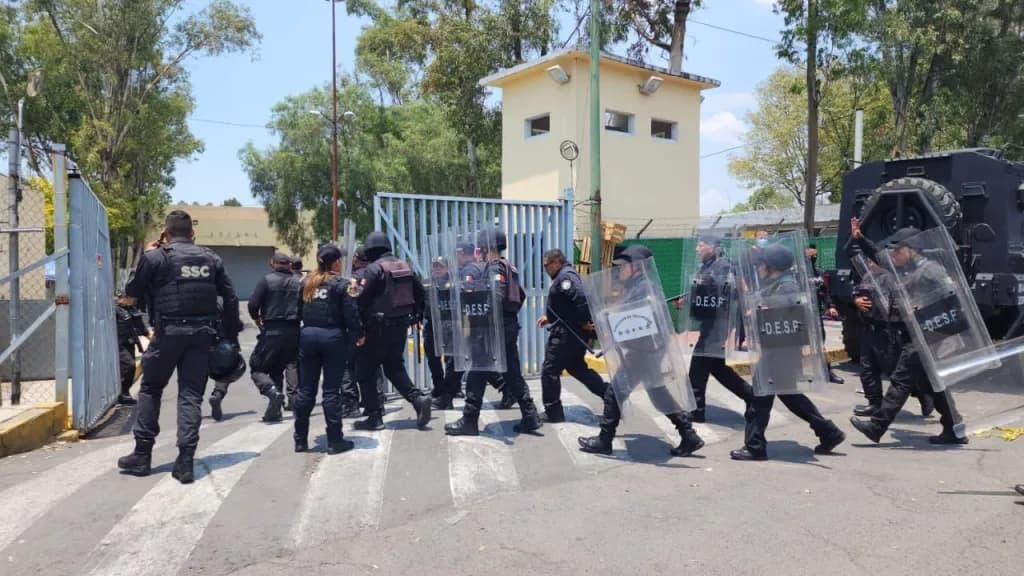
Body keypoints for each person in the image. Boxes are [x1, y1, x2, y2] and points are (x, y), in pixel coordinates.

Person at [117, 210, 240, 484]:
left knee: (150, 388)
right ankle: (185, 462)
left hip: (168, 333)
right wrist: (230, 335)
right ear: (192, 233)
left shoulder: (155, 257)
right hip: (202, 335)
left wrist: (151, 253)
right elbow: (230, 298)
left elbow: (131, 292)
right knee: (190, 396)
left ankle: (142, 455)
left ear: (165, 232)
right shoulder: (211, 258)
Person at [577, 245, 704, 457]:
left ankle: (604, 440)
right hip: (646, 350)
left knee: (614, 393)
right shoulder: (640, 286)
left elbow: (634, 316)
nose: (620, 271)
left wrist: (608, 321)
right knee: (658, 395)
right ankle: (689, 435)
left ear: (636, 267)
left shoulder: (643, 287)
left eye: (624, 267)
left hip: (643, 351)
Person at [848, 225, 967, 446]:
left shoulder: (932, 271)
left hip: (927, 336)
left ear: (911, 250)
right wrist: (861, 239)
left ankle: (876, 426)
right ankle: (954, 427)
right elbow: (880, 258)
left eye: (898, 250)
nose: (894, 255)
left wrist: (923, 307)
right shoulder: (905, 270)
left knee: (900, 380)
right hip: (913, 334)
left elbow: (952, 300)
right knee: (933, 384)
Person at [730, 244, 846, 461]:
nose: (759, 268)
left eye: (761, 264)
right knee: (790, 396)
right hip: (776, 350)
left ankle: (755, 447)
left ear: (771, 266)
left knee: (760, 398)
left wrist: (762, 309)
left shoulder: (787, 286)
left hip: (781, 352)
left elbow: (788, 308)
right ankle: (828, 432)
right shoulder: (774, 284)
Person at [445, 228, 542, 436]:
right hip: (508, 326)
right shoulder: (510, 267)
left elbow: (496, 296)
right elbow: (521, 295)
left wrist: (486, 315)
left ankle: (469, 420)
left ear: (486, 248)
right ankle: (530, 415)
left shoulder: (494, 268)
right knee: (512, 372)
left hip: (492, 329)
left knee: (477, 372)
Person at [352, 232, 432, 431]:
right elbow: (421, 293)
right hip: (400, 326)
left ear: (371, 249)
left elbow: (360, 300)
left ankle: (374, 417)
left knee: (365, 372)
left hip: (376, 328)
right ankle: (418, 400)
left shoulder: (373, 269)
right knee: (394, 367)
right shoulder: (404, 266)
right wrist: (416, 314)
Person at [293, 245, 362, 454]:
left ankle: (300, 440)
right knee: (332, 390)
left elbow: (296, 312)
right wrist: (358, 335)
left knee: (306, 390)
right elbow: (351, 313)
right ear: (336, 263)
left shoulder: (306, 283)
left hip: (308, 337)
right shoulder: (342, 284)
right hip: (333, 338)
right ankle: (334, 440)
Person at [685, 236, 753, 423]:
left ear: (713, 247)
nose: (698, 248)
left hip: (720, 321)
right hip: (710, 320)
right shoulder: (707, 265)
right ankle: (751, 396)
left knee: (699, 362)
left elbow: (734, 289)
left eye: (701, 244)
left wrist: (745, 309)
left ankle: (697, 409)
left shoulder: (723, 265)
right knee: (714, 365)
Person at [537, 248, 607, 422]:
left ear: (556, 262)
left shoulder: (566, 277)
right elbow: (566, 305)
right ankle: (611, 397)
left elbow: (581, 298)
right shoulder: (564, 275)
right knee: (577, 369)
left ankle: (553, 412)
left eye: (547, 266)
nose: (546, 269)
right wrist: (550, 317)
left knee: (550, 370)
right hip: (570, 332)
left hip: (566, 335)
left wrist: (584, 321)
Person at [246, 252, 303, 422]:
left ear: (273, 264)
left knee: (257, 367)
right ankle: (279, 407)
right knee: (285, 366)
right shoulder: (299, 282)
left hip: (272, 330)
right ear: (289, 265)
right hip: (294, 330)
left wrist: (256, 319)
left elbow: (253, 304)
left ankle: (272, 392)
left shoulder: (266, 280)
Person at [424, 256, 461, 409]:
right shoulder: (426, 283)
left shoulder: (453, 283)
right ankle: (439, 388)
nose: (437, 269)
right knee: (433, 358)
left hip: (450, 325)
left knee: (452, 360)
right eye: (434, 266)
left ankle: (450, 389)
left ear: (447, 268)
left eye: (440, 266)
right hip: (432, 325)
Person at [806, 243, 845, 384]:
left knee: (820, 343)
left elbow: (825, 292)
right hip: (801, 314)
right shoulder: (797, 273)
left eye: (814, 255)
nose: (813, 257)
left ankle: (826, 372)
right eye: (810, 255)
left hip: (816, 314)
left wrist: (831, 306)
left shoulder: (819, 273)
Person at [114, 293, 148, 405]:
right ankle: (122, 394)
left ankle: (124, 393)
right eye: (129, 298)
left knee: (130, 367)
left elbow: (141, 327)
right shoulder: (114, 309)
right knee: (129, 365)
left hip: (130, 342)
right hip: (118, 344)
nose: (132, 300)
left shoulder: (132, 310)